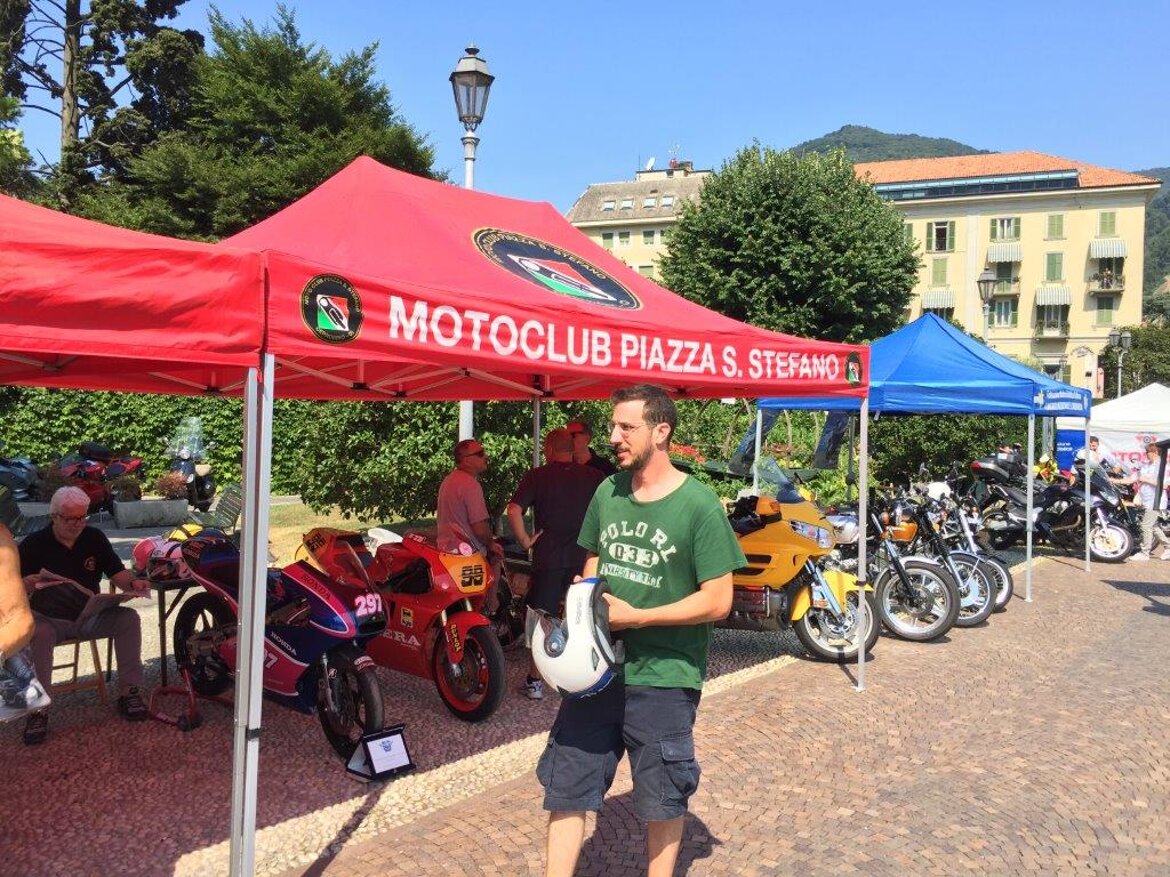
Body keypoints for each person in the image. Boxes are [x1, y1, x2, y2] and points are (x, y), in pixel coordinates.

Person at [539, 385, 746, 877]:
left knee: (662, 796)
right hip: (597, 671)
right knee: (566, 786)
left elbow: (718, 601)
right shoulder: (607, 491)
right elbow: (594, 559)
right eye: (613, 426)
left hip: (665, 676)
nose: (614, 437)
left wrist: (640, 617)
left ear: (661, 431)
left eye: (626, 427)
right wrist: (585, 598)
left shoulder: (698, 505)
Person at [18, 486, 150, 743]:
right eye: (70, 518)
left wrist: (134, 584)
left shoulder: (94, 538)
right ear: (54, 516)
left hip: (88, 616)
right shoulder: (34, 544)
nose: (77, 524)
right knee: (38, 633)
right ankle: (38, 710)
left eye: (82, 517)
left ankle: (130, 692)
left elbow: (117, 572)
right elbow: (11, 587)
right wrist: (26, 584)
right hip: (50, 620)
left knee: (129, 619)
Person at [506, 427, 605, 700]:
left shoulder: (538, 476)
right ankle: (581, 677)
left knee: (542, 618)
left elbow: (513, 509)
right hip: (584, 559)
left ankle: (535, 682)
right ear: (572, 450)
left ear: (548, 449)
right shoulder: (594, 477)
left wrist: (525, 540)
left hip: (548, 558)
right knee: (581, 617)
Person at [436, 438, 503, 609]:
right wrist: (491, 544)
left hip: (446, 553)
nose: (485, 456)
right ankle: (492, 607)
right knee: (497, 556)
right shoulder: (470, 485)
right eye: (480, 454)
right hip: (469, 557)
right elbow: (479, 527)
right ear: (465, 460)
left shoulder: (448, 481)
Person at [1122, 443, 1170, 562]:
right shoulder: (1146, 466)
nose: (1146, 454)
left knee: (1146, 526)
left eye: (1147, 452)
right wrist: (1113, 480)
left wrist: (1146, 480)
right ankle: (1168, 547)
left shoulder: (1164, 467)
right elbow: (1132, 479)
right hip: (1147, 500)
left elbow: (1164, 485)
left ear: (1155, 452)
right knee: (1153, 526)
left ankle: (1145, 553)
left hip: (1156, 501)